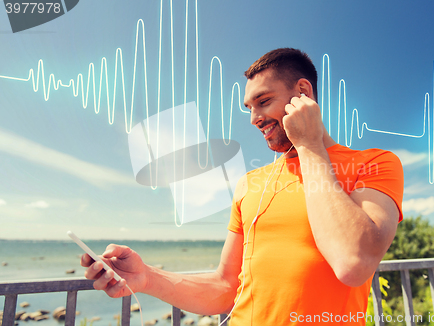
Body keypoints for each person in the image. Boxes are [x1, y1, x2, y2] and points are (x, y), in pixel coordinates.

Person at [81, 48, 404, 325]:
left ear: (303, 94)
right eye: (249, 108)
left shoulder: (375, 163)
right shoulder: (251, 184)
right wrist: (147, 278)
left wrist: (308, 146)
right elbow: (225, 287)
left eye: (263, 101)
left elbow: (353, 263)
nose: (254, 118)